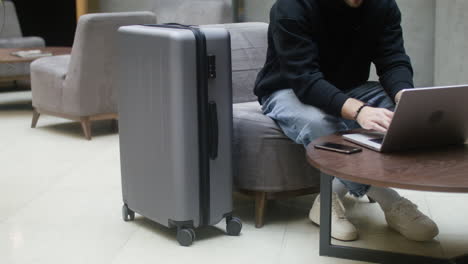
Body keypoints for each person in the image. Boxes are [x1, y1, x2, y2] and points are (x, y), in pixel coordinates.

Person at [254, 0, 439, 242]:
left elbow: (393, 59)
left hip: (350, 87)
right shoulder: (291, 7)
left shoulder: (383, 6)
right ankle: (390, 200)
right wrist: (359, 110)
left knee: (396, 112)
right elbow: (304, 79)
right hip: (287, 89)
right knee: (319, 122)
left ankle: (327, 199)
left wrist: (403, 95)